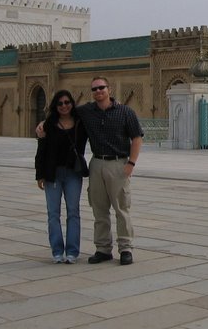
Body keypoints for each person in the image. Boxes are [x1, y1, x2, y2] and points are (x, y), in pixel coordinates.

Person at [37, 77, 144, 266]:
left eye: (101, 88)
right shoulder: (86, 111)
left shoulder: (125, 111)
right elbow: (63, 113)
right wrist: (43, 123)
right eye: (94, 89)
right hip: (96, 164)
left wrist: (131, 163)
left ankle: (125, 248)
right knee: (99, 209)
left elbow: (136, 137)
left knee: (121, 208)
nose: (98, 91)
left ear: (109, 89)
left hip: (118, 164)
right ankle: (103, 249)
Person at [34, 90, 87, 263]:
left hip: (73, 173)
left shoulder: (81, 122)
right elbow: (41, 150)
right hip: (53, 174)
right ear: (55, 106)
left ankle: (72, 252)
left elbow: (96, 109)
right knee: (53, 213)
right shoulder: (48, 125)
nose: (64, 106)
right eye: (60, 103)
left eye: (67, 102)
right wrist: (40, 175)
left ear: (72, 103)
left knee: (73, 212)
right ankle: (57, 251)